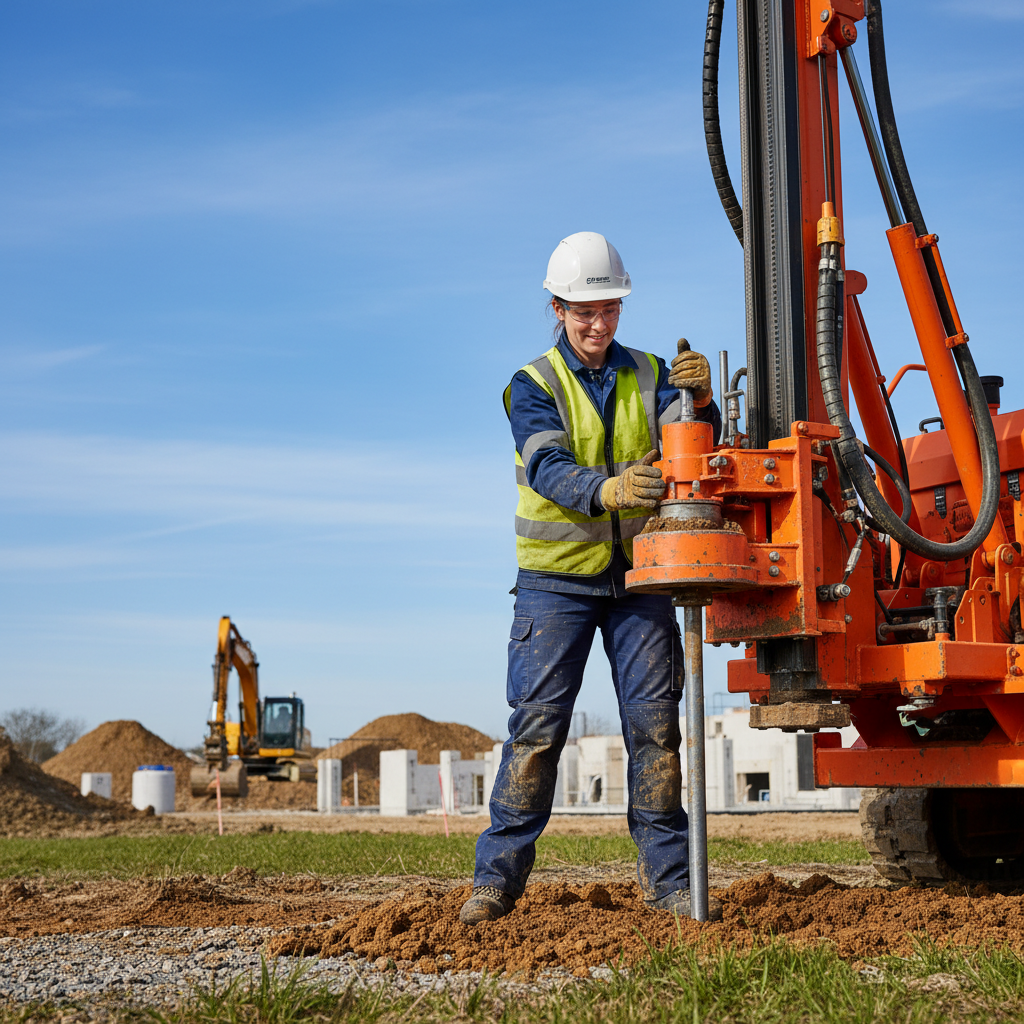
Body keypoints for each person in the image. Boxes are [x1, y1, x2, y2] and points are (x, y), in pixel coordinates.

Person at [460, 232, 725, 925]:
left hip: (640, 581)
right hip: (555, 583)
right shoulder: (532, 385)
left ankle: (669, 884)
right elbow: (545, 467)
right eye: (584, 312)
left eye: (608, 309)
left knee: (655, 730)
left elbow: (694, 450)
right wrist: (605, 491)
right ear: (557, 309)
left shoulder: (652, 371)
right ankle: (496, 882)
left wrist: (703, 404)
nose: (598, 325)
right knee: (537, 731)